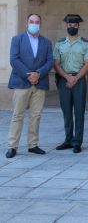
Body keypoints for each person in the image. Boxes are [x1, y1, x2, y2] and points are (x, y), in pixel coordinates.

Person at [6, 14, 53, 159]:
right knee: (17, 115)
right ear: (26, 23)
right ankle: (12, 146)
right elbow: (14, 60)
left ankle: (33, 145)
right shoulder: (17, 39)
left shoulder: (46, 42)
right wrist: (28, 75)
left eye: (37, 22)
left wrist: (38, 74)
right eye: (31, 22)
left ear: (40, 24)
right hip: (21, 82)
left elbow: (49, 61)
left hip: (39, 83)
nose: (34, 24)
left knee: (36, 115)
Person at [54, 14, 88, 154]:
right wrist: (67, 77)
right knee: (66, 112)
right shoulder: (59, 44)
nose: (72, 27)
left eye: (74, 25)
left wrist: (75, 79)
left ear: (78, 26)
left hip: (79, 80)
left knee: (79, 112)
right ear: (66, 26)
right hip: (64, 80)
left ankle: (77, 141)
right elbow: (56, 64)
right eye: (69, 25)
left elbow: (87, 64)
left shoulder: (86, 43)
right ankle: (68, 139)